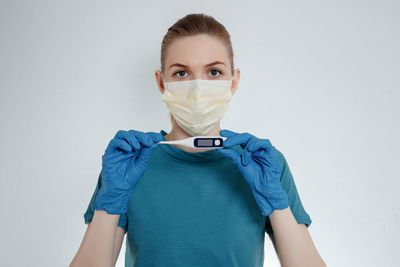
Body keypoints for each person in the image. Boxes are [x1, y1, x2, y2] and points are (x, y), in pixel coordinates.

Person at [70, 13, 326, 267]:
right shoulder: (127, 165)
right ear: (162, 82)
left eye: (214, 72)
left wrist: (277, 207)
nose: (198, 88)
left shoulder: (264, 165)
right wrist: (109, 204)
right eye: (181, 74)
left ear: (233, 82)